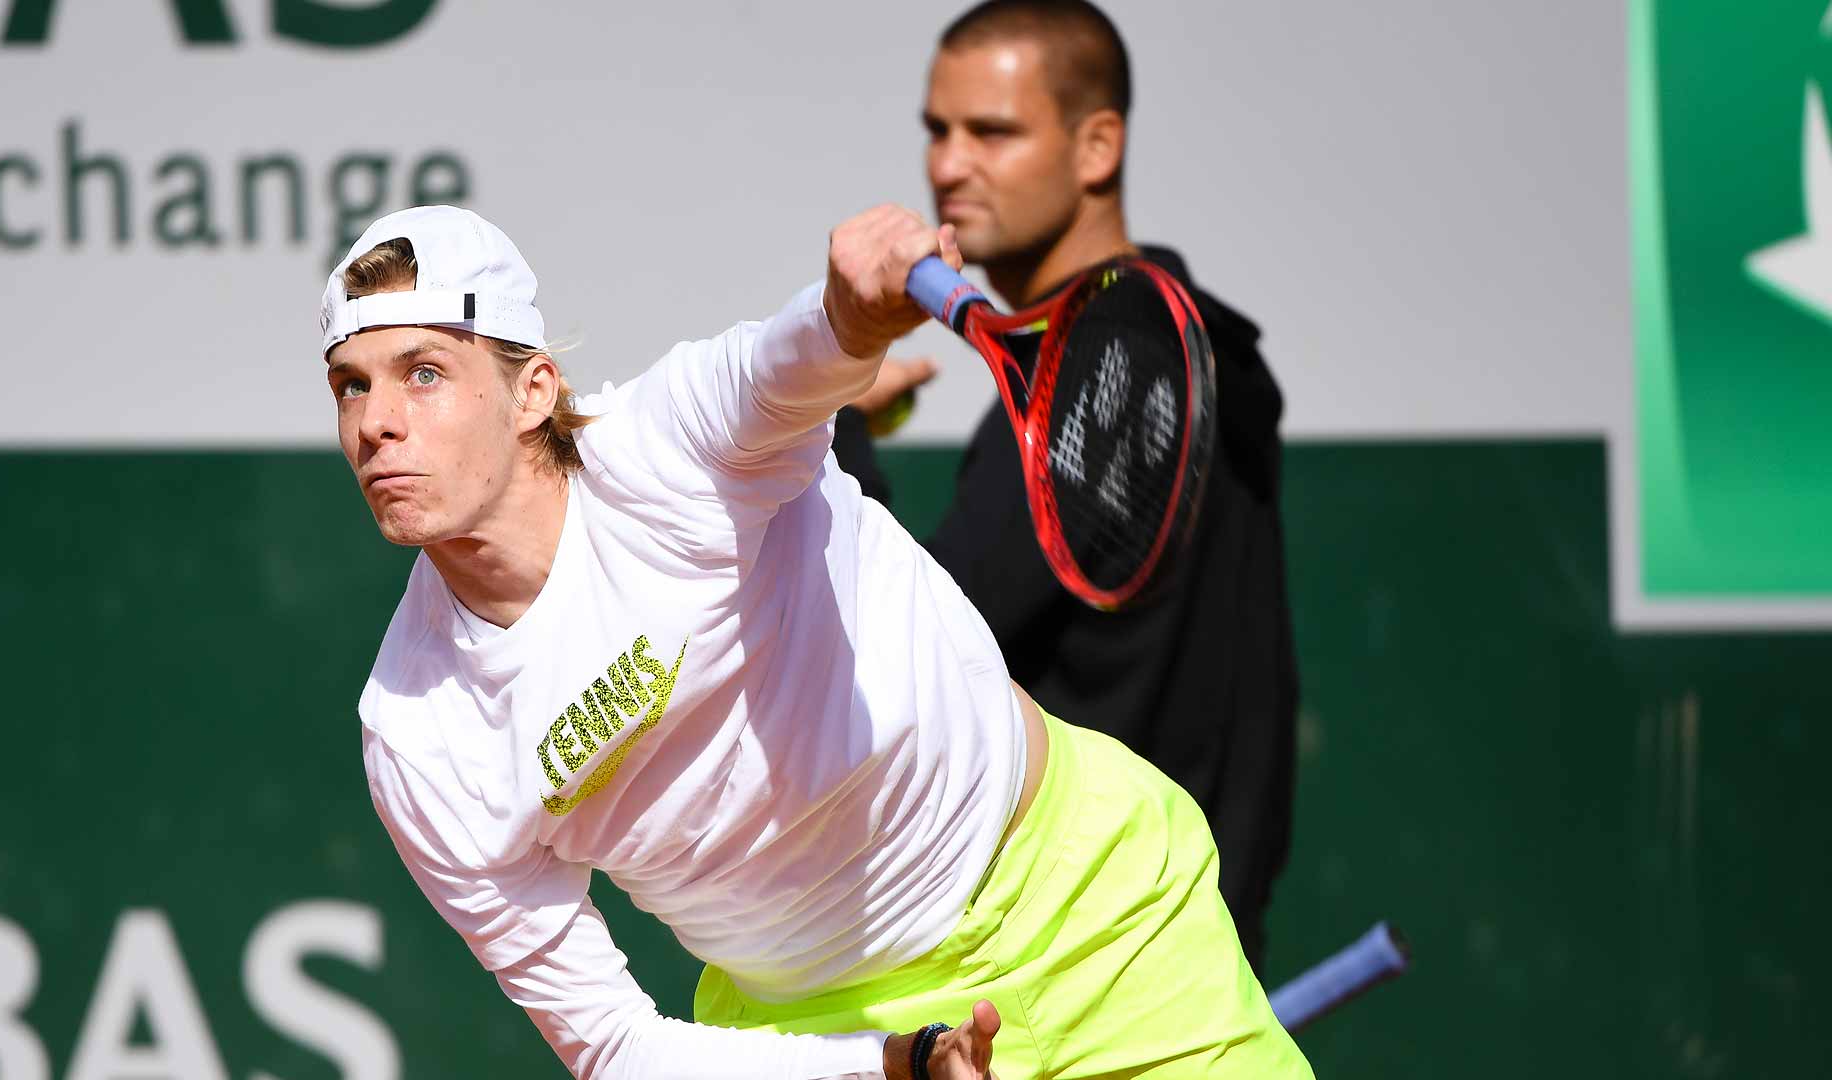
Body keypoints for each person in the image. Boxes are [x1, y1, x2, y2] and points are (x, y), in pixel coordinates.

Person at [326, 202, 1310, 1079]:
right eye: (351, 386)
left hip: (1092, 911)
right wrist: (888, 1065)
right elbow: (618, 1049)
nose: (377, 423)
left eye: (423, 374)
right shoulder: (415, 738)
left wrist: (853, 313)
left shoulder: (670, 448)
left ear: (533, 391)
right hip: (823, 1034)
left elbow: (787, 362)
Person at [832, 0, 1298, 972]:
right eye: (938, 130)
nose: (949, 164)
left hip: (1095, 970)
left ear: (1097, 147)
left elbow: (917, 649)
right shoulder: (1183, 344)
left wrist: (831, 424)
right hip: (1171, 949)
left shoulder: (1101, 370)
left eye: (992, 132)